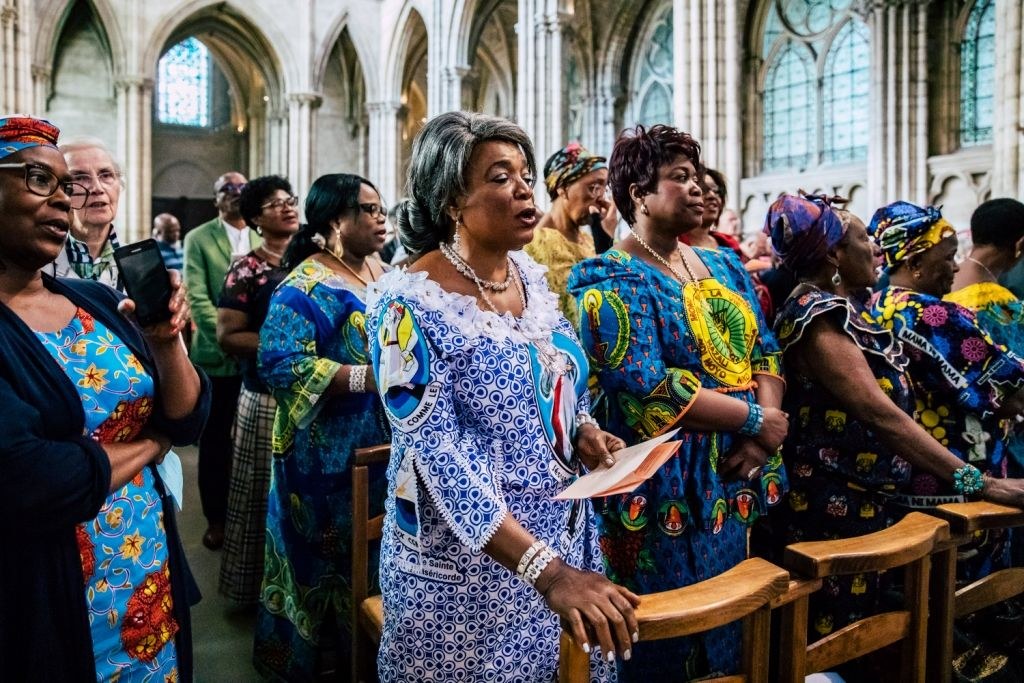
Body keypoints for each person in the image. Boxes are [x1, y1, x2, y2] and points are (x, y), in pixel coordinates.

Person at [366, 111, 639, 682]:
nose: (523, 189)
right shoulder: (408, 306)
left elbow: (559, 374)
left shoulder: (528, 276)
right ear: (451, 200)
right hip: (466, 574)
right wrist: (548, 572)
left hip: (561, 533)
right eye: (500, 177)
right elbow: (437, 457)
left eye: (525, 175)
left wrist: (583, 429)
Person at [567, 124, 788, 680]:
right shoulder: (609, 277)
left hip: (732, 469)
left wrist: (763, 435)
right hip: (663, 479)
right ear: (638, 194)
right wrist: (757, 420)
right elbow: (648, 387)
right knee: (668, 627)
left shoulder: (723, 265)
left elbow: (764, 349)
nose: (697, 188)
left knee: (730, 614)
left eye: (697, 176)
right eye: (679, 177)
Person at [755, 193, 1024, 647]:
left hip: (870, 501)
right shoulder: (817, 316)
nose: (877, 251)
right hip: (835, 511)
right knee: (843, 642)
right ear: (834, 254)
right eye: (865, 239)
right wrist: (982, 484)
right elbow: (882, 416)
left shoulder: (851, 306)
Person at [0, 115, 210, 680]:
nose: (62, 200)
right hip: (49, 589)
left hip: (144, 560)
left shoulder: (91, 297)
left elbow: (188, 417)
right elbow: (35, 476)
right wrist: (153, 445)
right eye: (39, 180)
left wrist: (165, 342)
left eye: (62, 185)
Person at [254, 173, 391, 679]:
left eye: (381, 208)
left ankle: (369, 656)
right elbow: (279, 364)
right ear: (336, 220)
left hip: (382, 447)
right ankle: (315, 662)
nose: (381, 218)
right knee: (322, 559)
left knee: (377, 555)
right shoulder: (303, 286)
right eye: (369, 209)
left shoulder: (382, 271)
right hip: (323, 453)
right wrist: (366, 378)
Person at [867, 201, 1024, 575]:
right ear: (914, 262)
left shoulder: (878, 304)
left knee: (923, 584)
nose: (955, 267)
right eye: (948, 257)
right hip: (963, 479)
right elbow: (1012, 392)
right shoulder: (936, 315)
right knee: (970, 588)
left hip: (912, 474)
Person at [215, 175, 299, 607]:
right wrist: (287, 347)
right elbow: (229, 335)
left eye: (290, 200)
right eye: (274, 204)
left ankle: (296, 591)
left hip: (307, 399)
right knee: (259, 497)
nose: (287, 207)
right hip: (265, 397)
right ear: (254, 220)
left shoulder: (312, 260)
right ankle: (254, 592)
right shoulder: (247, 269)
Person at [183, 171, 258, 550]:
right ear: (216, 199)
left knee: (253, 440)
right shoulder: (199, 238)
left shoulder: (261, 234)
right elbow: (196, 295)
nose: (235, 194)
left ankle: (251, 516)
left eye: (242, 188)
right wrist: (228, 338)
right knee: (215, 441)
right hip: (216, 354)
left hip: (256, 354)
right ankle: (216, 519)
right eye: (226, 189)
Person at [946, 198, 1024, 477]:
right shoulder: (1004, 306)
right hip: (995, 440)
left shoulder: (936, 288)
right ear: (1019, 244)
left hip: (941, 434)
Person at [524, 142, 613, 326]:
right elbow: (581, 315)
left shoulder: (588, 239)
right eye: (593, 187)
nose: (600, 198)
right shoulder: (541, 244)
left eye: (604, 188)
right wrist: (604, 248)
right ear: (563, 189)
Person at [47, 137, 125, 290]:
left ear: (119, 184)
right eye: (80, 178)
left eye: (106, 175)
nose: (97, 188)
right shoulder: (35, 264)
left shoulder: (142, 264)